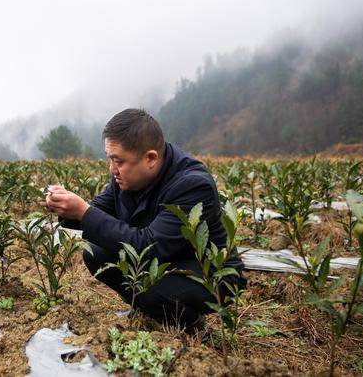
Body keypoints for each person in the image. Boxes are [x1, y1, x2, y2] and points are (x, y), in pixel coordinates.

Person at [43, 108, 245, 332]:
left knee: (150, 285)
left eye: (118, 161)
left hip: (209, 273)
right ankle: (150, 310)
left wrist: (83, 211)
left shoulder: (193, 185)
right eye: (110, 159)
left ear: (150, 158)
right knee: (96, 252)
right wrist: (62, 206)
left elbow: (148, 246)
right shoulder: (128, 178)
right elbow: (98, 211)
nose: (112, 170)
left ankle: (190, 325)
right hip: (166, 261)